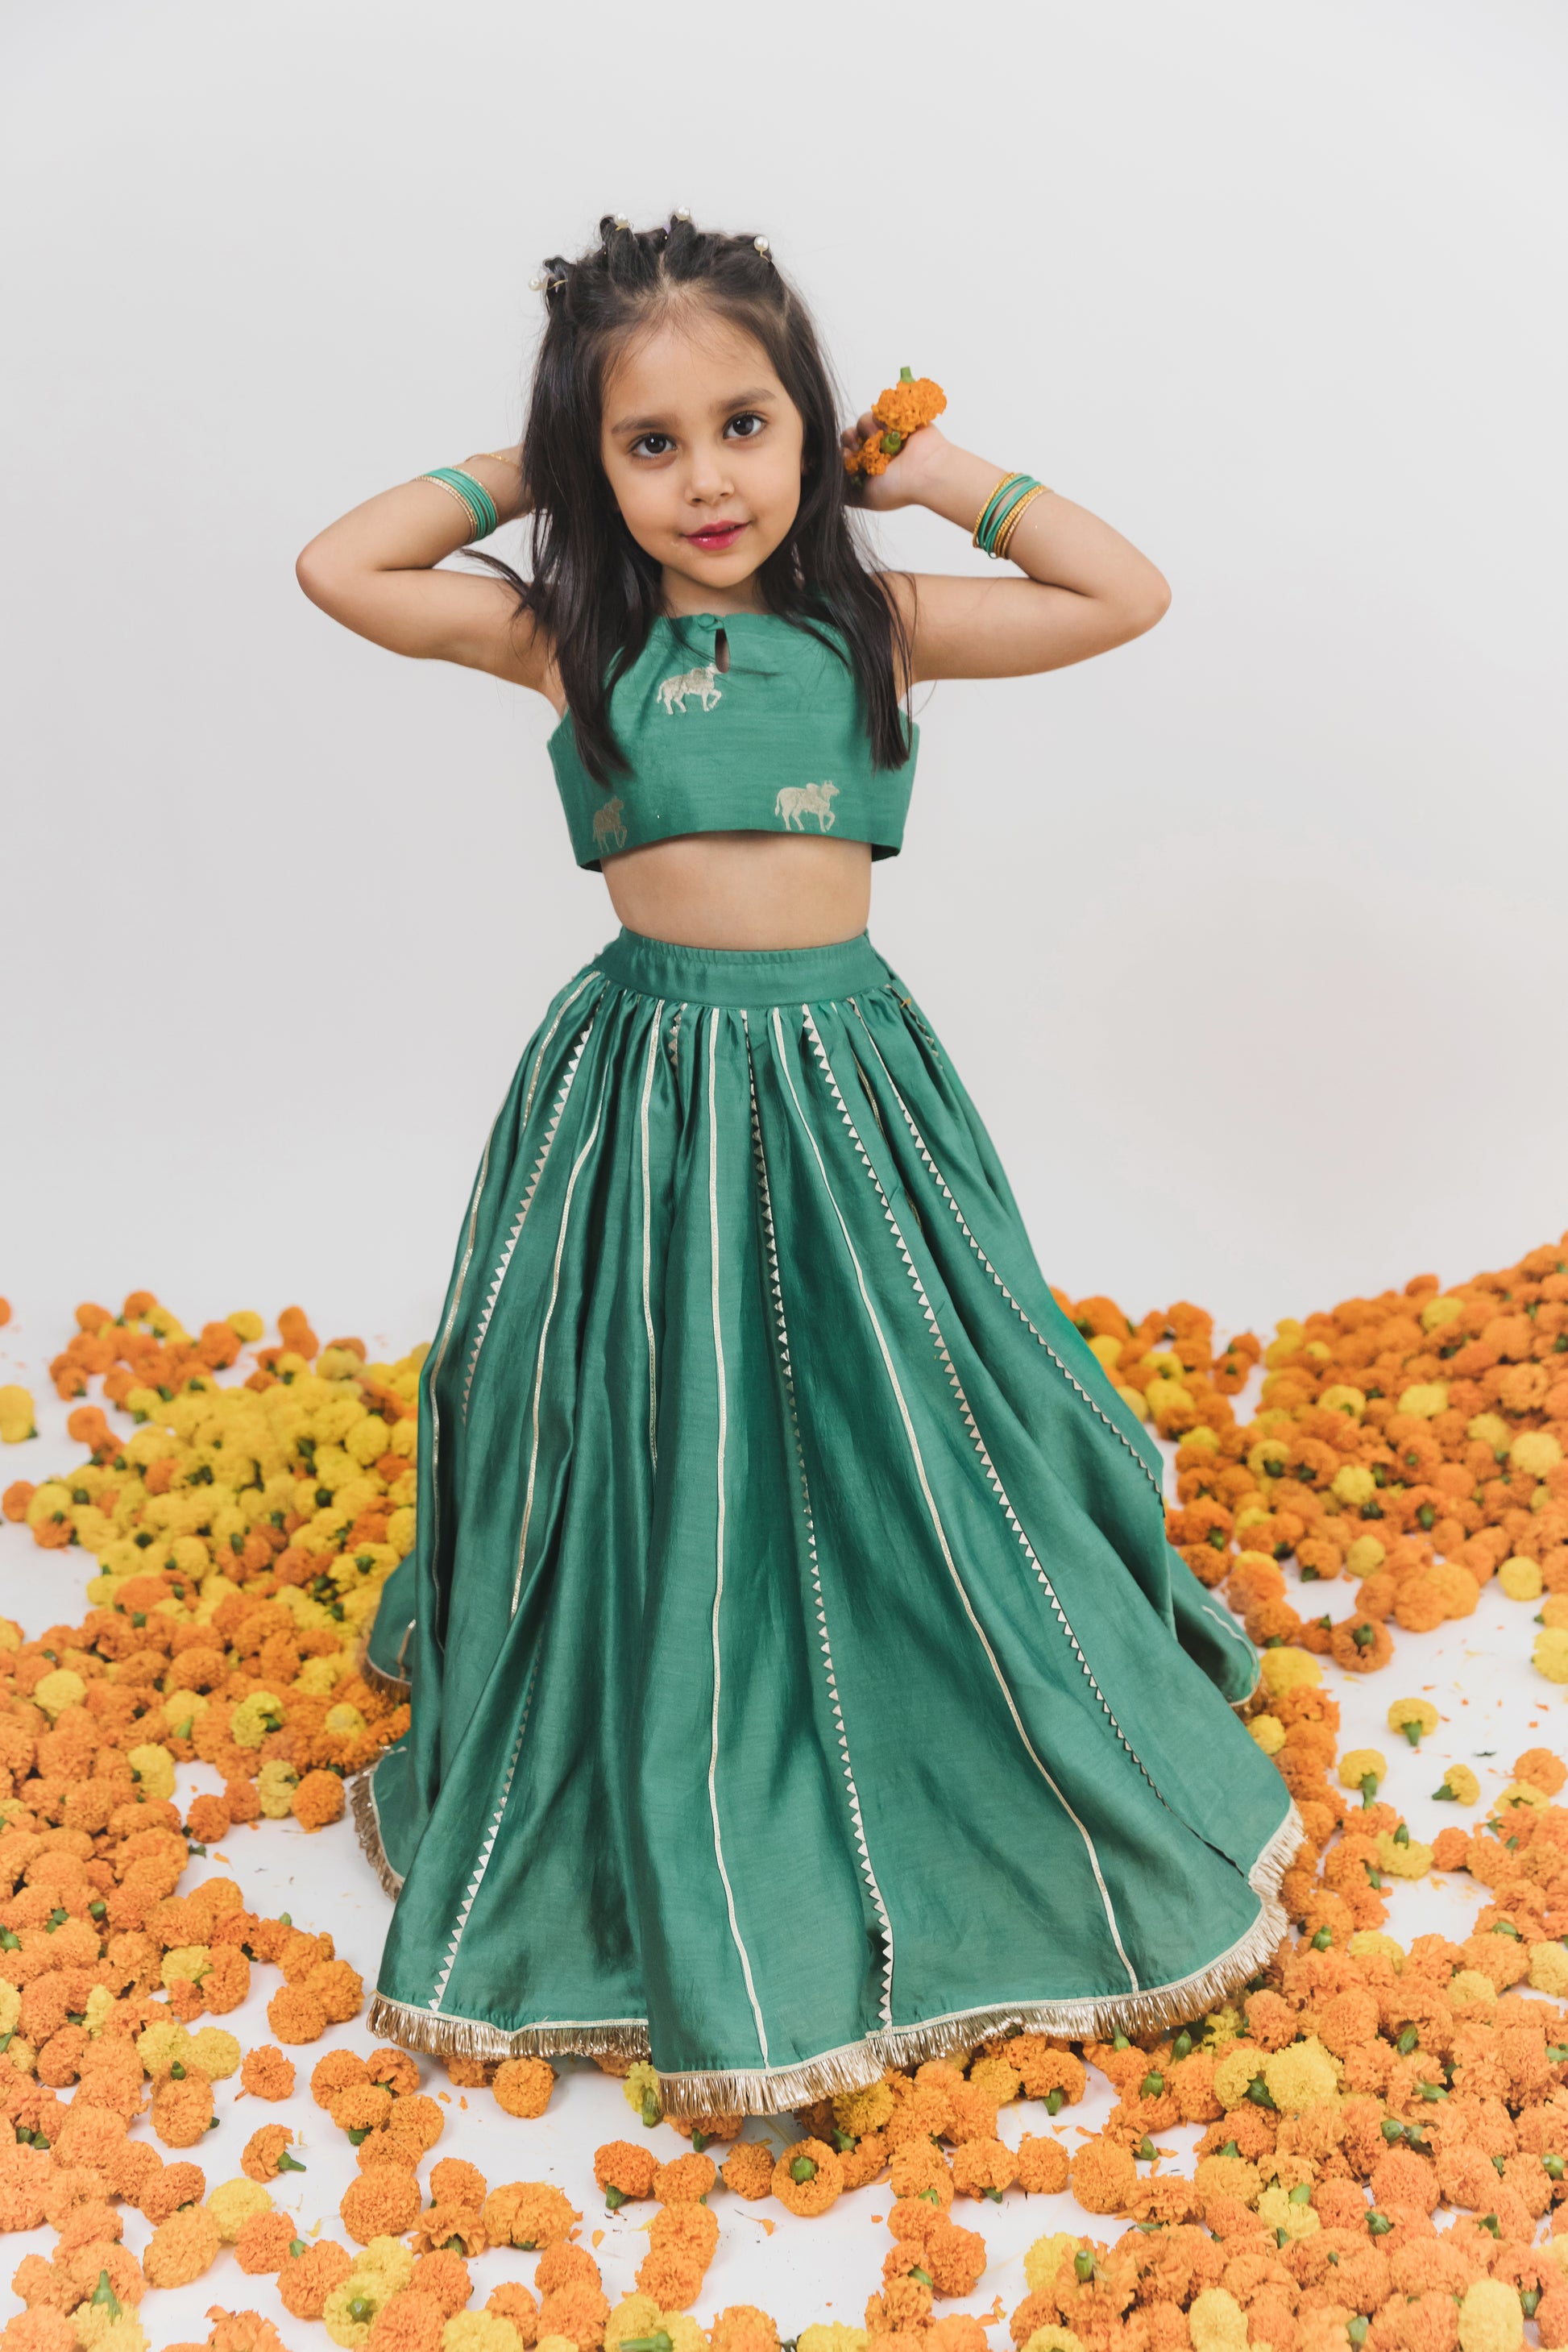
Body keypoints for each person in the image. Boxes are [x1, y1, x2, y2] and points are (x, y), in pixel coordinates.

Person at [296, 209, 1300, 2115]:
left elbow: (1120, 593)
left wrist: (931, 470)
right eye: (646, 443)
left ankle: (924, 1676)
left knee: (910, 1398)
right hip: (646, 1088)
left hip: (845, 1076)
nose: (704, 480)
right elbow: (343, 566)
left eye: (744, 426)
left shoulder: (875, 624)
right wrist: (534, 455)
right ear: (596, 463)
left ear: (807, 428)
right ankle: (680, 1660)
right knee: (644, 1399)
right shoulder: (573, 635)